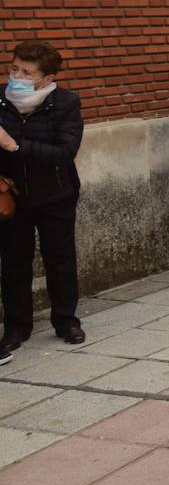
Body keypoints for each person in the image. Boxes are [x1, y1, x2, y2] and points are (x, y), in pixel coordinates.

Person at [0, 41, 85, 354]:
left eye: (26, 71)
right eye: (14, 68)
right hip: (12, 198)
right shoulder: (0, 99)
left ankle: (66, 321)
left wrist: (14, 146)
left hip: (56, 195)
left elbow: (64, 152)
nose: (16, 75)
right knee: (13, 264)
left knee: (60, 260)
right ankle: (16, 326)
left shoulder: (65, 103)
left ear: (46, 78)